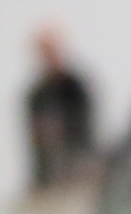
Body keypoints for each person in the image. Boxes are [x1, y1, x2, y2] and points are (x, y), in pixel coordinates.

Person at [24, 25, 98, 189]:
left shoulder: (75, 87)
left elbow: (86, 129)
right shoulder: (37, 95)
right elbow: (35, 143)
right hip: (48, 174)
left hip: (79, 168)